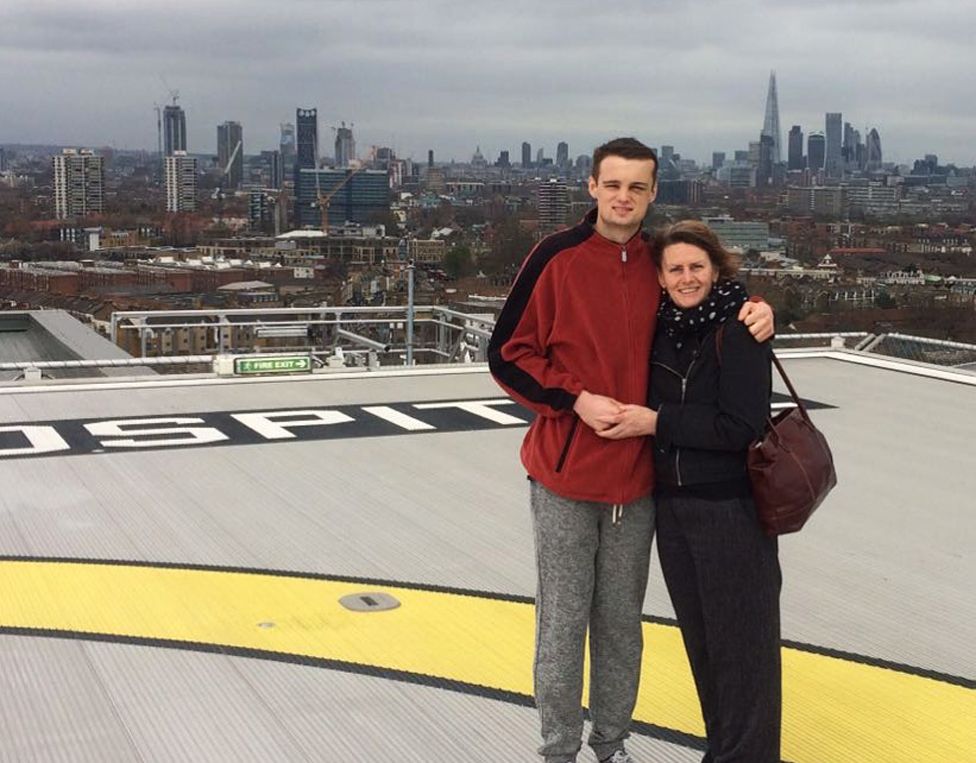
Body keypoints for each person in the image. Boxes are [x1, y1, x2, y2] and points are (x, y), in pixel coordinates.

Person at [487, 138, 774, 763]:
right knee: (561, 627)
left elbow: (711, 286)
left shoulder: (658, 261)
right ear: (591, 187)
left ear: (652, 194)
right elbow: (506, 353)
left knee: (622, 628)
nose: (624, 197)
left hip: (640, 483)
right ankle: (559, 751)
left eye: (637, 187)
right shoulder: (554, 257)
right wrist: (573, 401)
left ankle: (610, 747)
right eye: (613, 185)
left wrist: (758, 310)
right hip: (565, 477)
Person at [597, 220, 781, 762]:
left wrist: (656, 423)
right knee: (703, 647)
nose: (686, 277)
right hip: (673, 512)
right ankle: (723, 749)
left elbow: (740, 427)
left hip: (729, 510)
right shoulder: (658, 329)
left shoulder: (742, 327)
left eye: (696, 266)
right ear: (659, 276)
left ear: (717, 268)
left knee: (744, 653)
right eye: (674, 268)